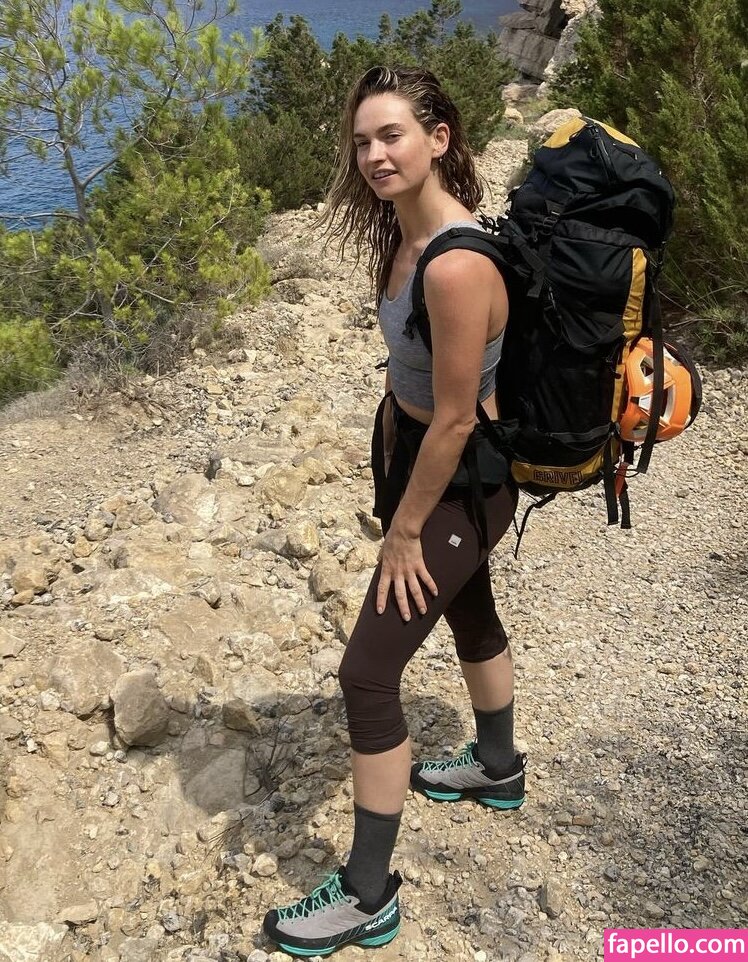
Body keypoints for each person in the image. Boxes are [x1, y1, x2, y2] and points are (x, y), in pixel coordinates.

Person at [262, 65, 526, 958]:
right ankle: (497, 768)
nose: (374, 155)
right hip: (418, 463)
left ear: (438, 139)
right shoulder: (400, 239)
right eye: (362, 141)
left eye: (392, 136)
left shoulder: (455, 264)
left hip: (461, 482)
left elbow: (456, 418)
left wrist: (405, 530)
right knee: (470, 610)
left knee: (368, 674)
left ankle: (367, 896)